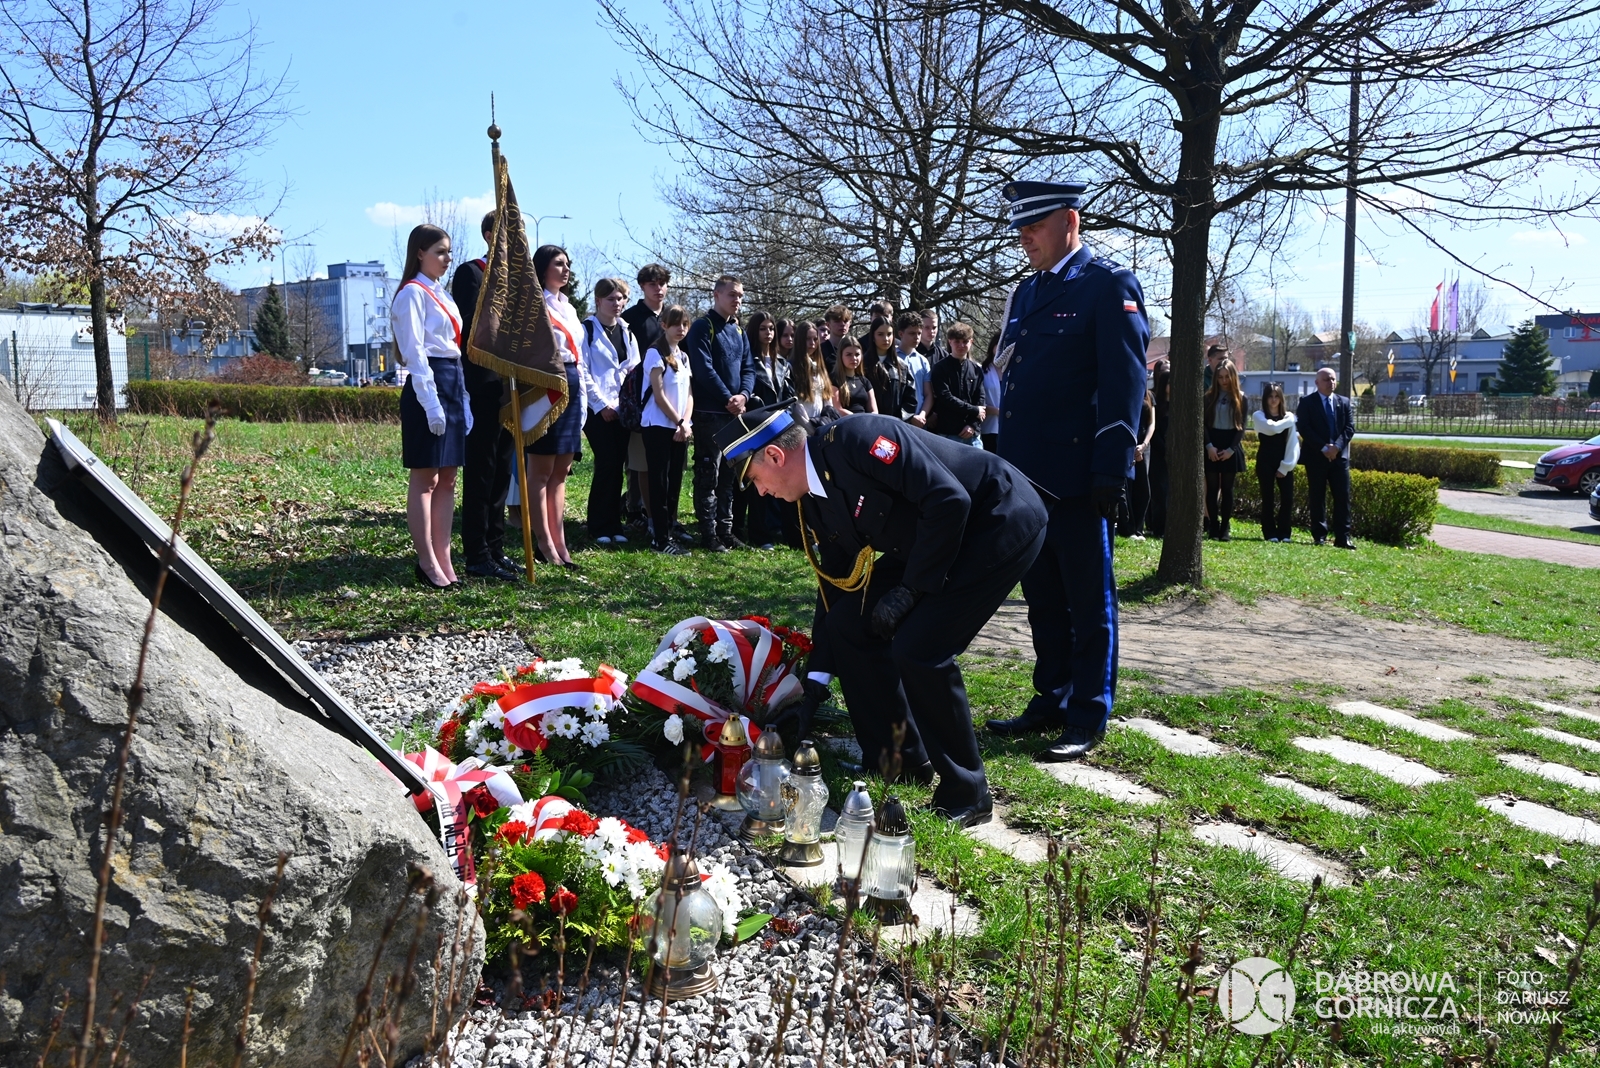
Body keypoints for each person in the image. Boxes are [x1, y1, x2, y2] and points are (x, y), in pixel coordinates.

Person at [720, 406, 1048, 826]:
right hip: (932, 539)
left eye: (755, 479)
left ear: (774, 455)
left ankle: (968, 792)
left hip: (995, 518)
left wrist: (911, 590)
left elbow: (949, 499)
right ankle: (899, 759)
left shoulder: (858, 440)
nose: (761, 492)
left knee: (920, 648)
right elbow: (836, 586)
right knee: (848, 623)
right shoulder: (812, 499)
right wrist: (814, 684)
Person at [984, 179, 1149, 762]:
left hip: (1080, 477)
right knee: (1044, 599)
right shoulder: (1028, 291)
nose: (1024, 237)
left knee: (1088, 600)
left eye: (1034, 226)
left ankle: (1087, 711)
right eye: (1021, 229)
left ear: (1069, 222)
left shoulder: (1107, 285)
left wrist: (1111, 468)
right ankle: (1051, 696)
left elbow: (1125, 382)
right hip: (1027, 476)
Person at [392, 223, 471, 589]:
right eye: (440, 251)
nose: (447, 258)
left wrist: (462, 399)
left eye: (449, 251)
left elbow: (454, 351)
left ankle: (445, 559)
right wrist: (431, 403)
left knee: (449, 479)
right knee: (427, 478)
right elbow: (414, 352)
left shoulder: (443, 294)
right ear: (420, 253)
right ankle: (426, 562)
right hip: (429, 385)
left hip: (451, 381)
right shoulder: (412, 293)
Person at [513, 244, 591, 571]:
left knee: (560, 472)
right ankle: (543, 542)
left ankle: (560, 543)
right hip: (545, 385)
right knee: (541, 471)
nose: (566, 269)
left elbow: (579, 355)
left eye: (567, 264)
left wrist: (582, 395)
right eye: (559, 263)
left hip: (571, 381)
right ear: (543, 268)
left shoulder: (569, 308)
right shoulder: (534, 305)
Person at [451, 210, 517, 581]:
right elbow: (474, 327)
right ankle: (476, 553)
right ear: (490, 235)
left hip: (510, 386)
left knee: (502, 471)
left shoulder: (519, 280)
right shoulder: (471, 273)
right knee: (482, 470)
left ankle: (495, 547)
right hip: (482, 384)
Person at [684, 275, 755, 552]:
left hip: (734, 415)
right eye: (732, 294)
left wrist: (744, 395)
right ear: (716, 295)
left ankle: (726, 531)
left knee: (729, 477)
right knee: (708, 475)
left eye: (741, 295)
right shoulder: (703, 327)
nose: (737, 300)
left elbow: (748, 368)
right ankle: (708, 534)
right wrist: (728, 398)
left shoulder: (739, 331)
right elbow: (703, 369)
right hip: (709, 414)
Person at [581, 277, 641, 546]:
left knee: (617, 465)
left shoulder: (628, 332)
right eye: (611, 299)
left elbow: (633, 370)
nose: (617, 303)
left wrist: (621, 404)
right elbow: (583, 370)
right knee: (606, 463)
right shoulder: (587, 330)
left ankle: (614, 523)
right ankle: (598, 525)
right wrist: (601, 404)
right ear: (598, 300)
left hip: (622, 409)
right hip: (597, 409)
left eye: (621, 298)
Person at [640, 305, 695, 556]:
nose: (680, 328)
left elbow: (689, 394)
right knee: (659, 482)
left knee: (674, 482)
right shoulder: (655, 353)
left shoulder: (683, 357)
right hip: (658, 426)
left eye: (684, 324)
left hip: (679, 428)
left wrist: (686, 422)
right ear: (664, 325)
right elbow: (659, 394)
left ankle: (670, 533)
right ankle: (659, 539)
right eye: (675, 324)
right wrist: (679, 421)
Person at [622, 264, 670, 533]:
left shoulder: (673, 317)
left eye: (662, 283)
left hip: (670, 401)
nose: (658, 288)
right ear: (642, 286)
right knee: (639, 462)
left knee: (663, 465)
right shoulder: (630, 318)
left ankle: (663, 517)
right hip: (640, 400)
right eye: (652, 284)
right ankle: (635, 511)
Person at [1299, 366, 1356, 548]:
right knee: (1317, 497)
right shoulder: (1307, 402)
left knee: (1342, 497)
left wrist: (1336, 447)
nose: (1330, 382)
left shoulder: (1344, 402)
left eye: (1332, 379)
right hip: (1316, 457)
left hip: (1339, 458)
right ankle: (1320, 536)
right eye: (1326, 379)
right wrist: (1324, 448)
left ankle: (1343, 537)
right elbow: (1304, 428)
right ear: (1317, 383)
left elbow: (1349, 428)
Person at [1204, 358, 1246, 541]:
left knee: (1227, 489)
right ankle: (1213, 525)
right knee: (1212, 488)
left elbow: (1242, 426)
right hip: (1212, 443)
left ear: (1233, 377)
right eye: (1220, 377)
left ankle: (1225, 527)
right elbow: (1203, 425)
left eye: (1227, 377)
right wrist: (1209, 447)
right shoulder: (1208, 397)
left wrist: (1231, 449)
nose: (1223, 380)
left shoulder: (1241, 398)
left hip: (1231, 444)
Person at [1253, 381, 1300, 542]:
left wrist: (1285, 467)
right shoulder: (1258, 416)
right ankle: (1270, 533)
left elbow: (1293, 444)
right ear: (1265, 399)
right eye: (1270, 396)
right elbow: (1271, 428)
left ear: (1281, 398)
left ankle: (1284, 533)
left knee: (1287, 498)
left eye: (1276, 396)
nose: (1273, 400)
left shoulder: (1288, 417)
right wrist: (1291, 419)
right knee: (1268, 498)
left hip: (1283, 461)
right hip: (1265, 461)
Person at [929, 322, 985, 445]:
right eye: (957, 341)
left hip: (973, 436)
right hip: (948, 433)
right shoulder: (940, 368)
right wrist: (974, 410)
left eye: (965, 341)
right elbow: (946, 397)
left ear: (971, 342)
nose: (961, 345)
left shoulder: (976, 369)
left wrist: (973, 425)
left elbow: (980, 400)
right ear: (950, 342)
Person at [1117, 388, 1156, 539]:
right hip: (1128, 444)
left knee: (1143, 489)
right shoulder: (1126, 391)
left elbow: (1151, 423)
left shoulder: (1149, 395)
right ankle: (1127, 528)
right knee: (1128, 487)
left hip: (1144, 445)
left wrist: (1144, 445)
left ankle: (1139, 528)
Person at [865, 316, 916, 421]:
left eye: (889, 334)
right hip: (868, 423)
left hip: (894, 424)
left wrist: (899, 420)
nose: (886, 339)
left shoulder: (902, 367)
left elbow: (910, 400)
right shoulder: (862, 364)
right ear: (873, 336)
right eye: (880, 334)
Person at [892, 311, 933, 428]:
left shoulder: (923, 361)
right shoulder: (892, 358)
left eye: (919, 333)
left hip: (919, 422)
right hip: (898, 421)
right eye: (912, 333)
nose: (917, 337)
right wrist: (909, 417)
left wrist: (922, 415)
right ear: (901, 333)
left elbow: (928, 394)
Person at [790, 318, 835, 423]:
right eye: (807, 339)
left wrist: (826, 423)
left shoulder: (819, 366)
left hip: (820, 424)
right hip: (802, 425)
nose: (812, 343)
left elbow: (827, 400)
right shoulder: (791, 367)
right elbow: (796, 406)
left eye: (815, 339)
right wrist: (810, 428)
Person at [1147, 358, 1171, 537]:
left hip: (1172, 455)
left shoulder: (1177, 406)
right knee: (1159, 493)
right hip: (1158, 454)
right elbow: (1154, 431)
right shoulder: (1157, 402)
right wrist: (1165, 450)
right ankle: (1157, 527)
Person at [832, 335, 877, 414]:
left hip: (866, 420)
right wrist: (856, 418)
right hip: (845, 420)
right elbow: (838, 409)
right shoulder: (834, 380)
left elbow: (874, 411)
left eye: (857, 354)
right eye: (849, 354)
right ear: (840, 356)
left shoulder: (865, 381)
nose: (854, 358)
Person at [979, 335, 1002, 453]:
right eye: (999, 345)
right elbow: (978, 401)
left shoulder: (1014, 370)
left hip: (1011, 428)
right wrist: (999, 412)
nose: (1002, 349)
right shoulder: (982, 370)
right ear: (992, 347)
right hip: (989, 428)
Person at [820, 304, 853, 379]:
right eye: (837, 321)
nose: (842, 324)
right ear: (828, 325)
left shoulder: (855, 349)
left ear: (850, 323)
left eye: (845, 321)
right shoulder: (821, 350)